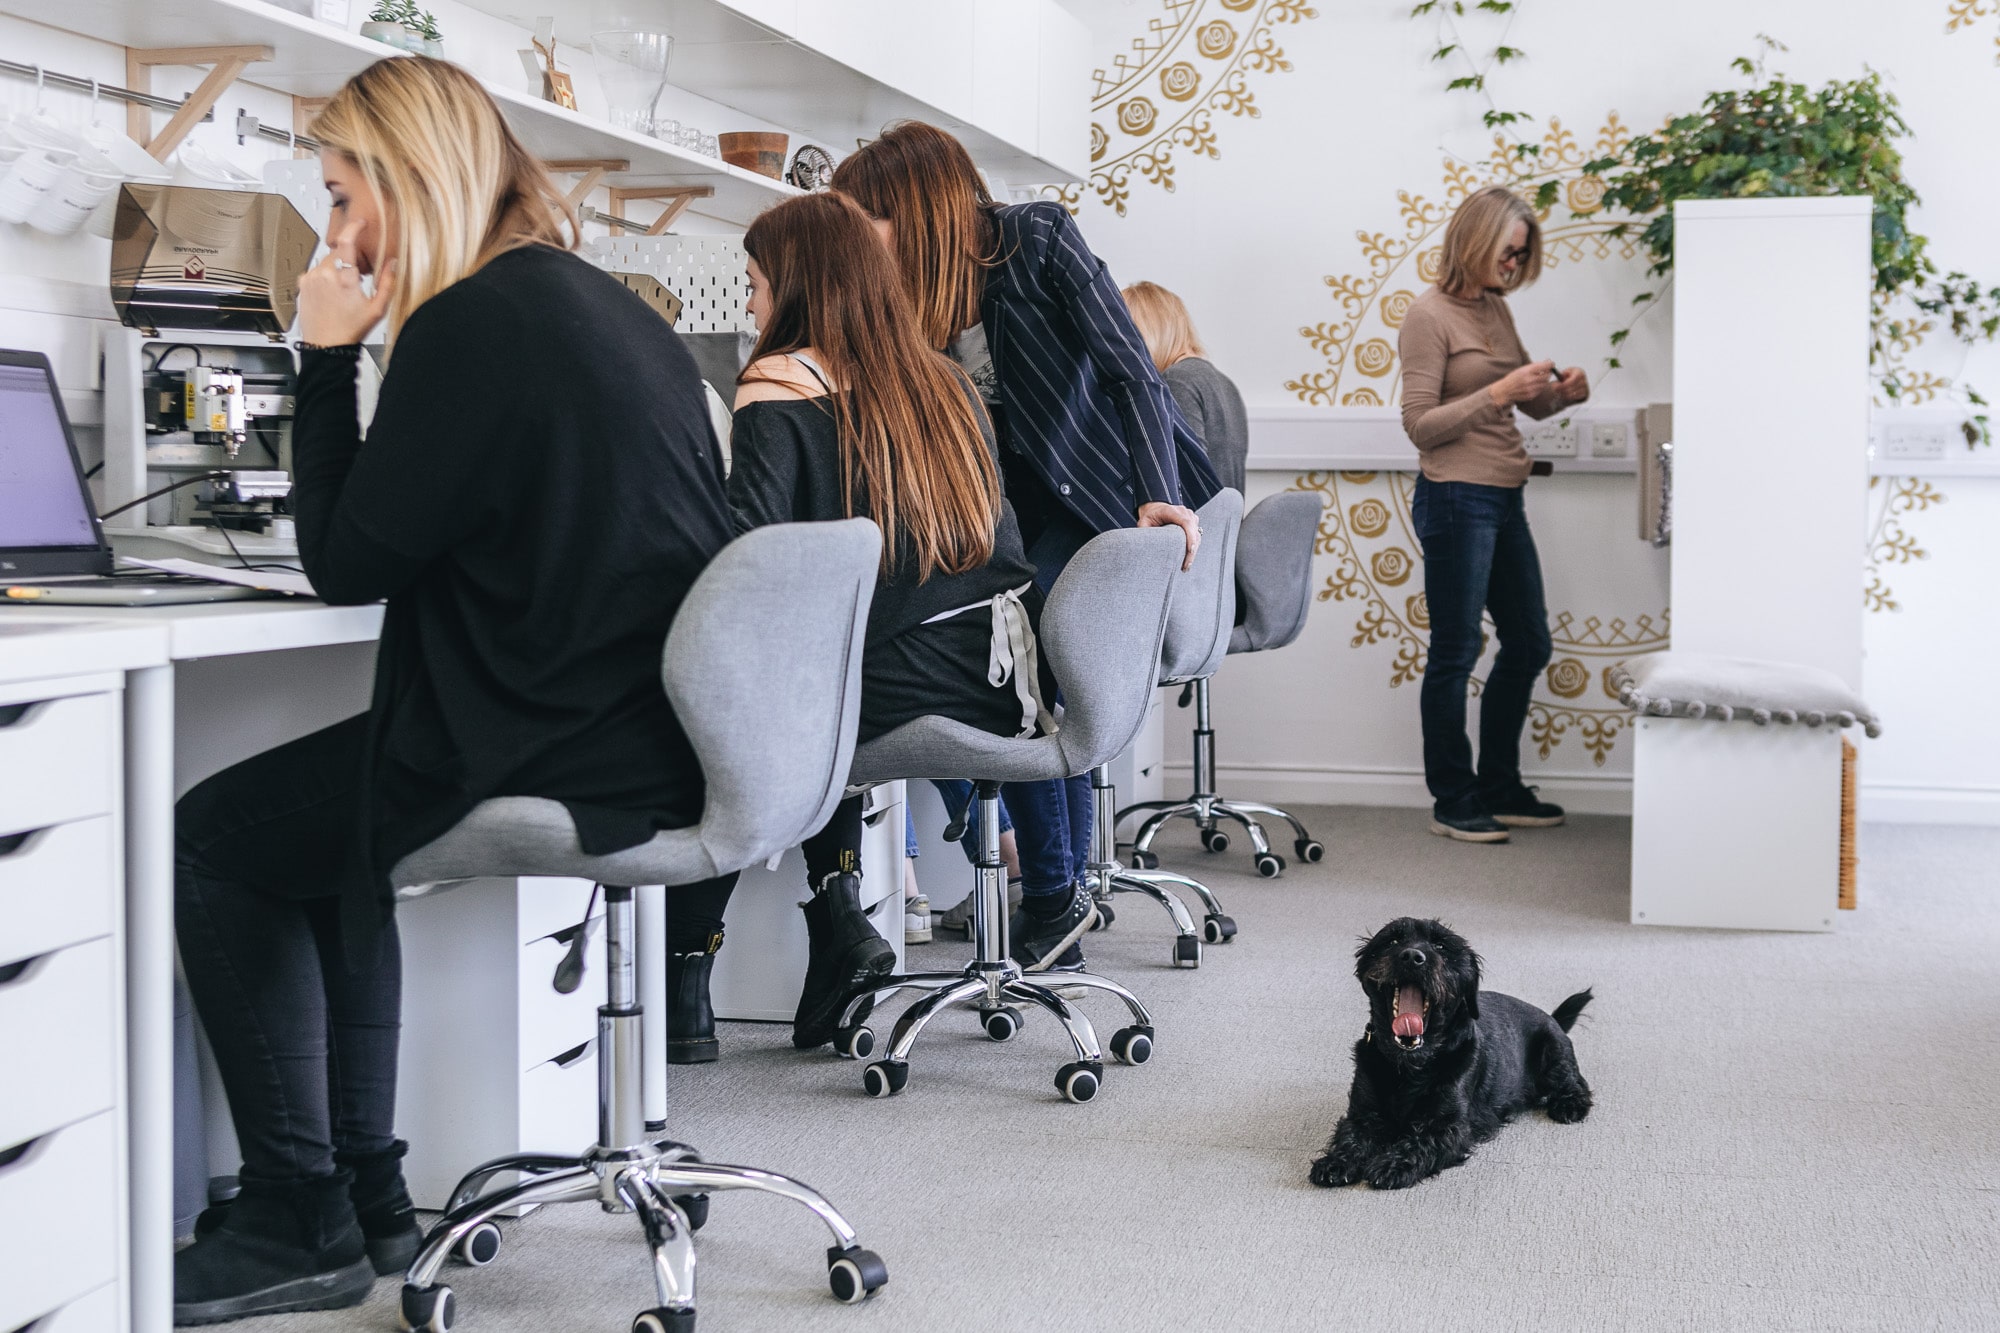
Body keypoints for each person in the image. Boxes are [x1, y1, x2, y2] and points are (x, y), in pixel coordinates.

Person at [170, 57, 735, 1322]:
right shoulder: (592, 304)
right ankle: (363, 1191)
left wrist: (323, 358)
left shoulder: (470, 324)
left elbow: (346, 563)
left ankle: (291, 1210)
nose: (334, 233)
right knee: (335, 823)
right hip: (636, 727)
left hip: (562, 742)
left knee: (216, 839)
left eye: (339, 199)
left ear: (404, 182)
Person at [832, 122, 1218, 970]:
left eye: (870, 222)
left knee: (1030, 661)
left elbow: (1130, 372)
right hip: (996, 518)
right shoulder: (910, 297)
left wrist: (1157, 491)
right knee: (953, 658)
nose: (862, 246)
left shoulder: (1036, 240)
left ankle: (1051, 889)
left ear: (916, 207)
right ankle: (1054, 883)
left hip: (1096, 497)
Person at [721, 190, 1055, 1050]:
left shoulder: (779, 379)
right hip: (1001, 674)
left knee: (732, 704)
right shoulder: (941, 377)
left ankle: (721, 961)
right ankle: (833, 921)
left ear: (798, 286)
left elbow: (750, 558)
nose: (752, 304)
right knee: (805, 683)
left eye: (755, 283)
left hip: (900, 682)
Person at [1395, 183, 1588, 843]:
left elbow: (1525, 407)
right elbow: (1421, 425)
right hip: (1455, 494)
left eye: (1521, 258)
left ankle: (1501, 786)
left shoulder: (1496, 313)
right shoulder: (1428, 314)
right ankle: (1454, 797)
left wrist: (1559, 396)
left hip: (1505, 492)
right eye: (1508, 254)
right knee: (1456, 649)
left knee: (1529, 641)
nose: (1513, 268)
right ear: (1476, 243)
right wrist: (1502, 388)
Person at [1122, 280, 1248, 494]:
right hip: (1223, 524)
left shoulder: (1177, 380)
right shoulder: (1225, 383)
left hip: (1195, 525)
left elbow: (1183, 477)